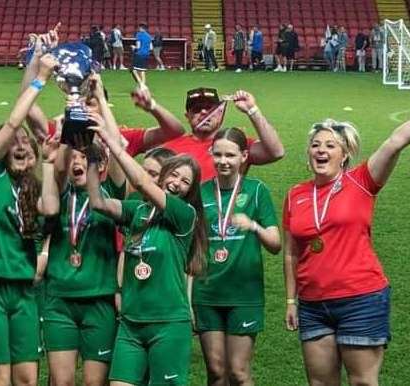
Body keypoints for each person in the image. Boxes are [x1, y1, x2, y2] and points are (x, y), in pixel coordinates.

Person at [283, 84, 410, 386]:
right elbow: (291, 252)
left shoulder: (362, 180)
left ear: (344, 154)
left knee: (362, 382)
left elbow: (395, 142)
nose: (321, 151)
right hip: (313, 304)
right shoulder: (296, 194)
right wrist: (291, 300)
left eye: (330, 146)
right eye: (316, 145)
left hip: (361, 298)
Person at [86, 125, 208, 385]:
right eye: (174, 175)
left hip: (169, 323)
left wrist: (113, 144)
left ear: (190, 191)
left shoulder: (184, 215)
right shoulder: (138, 211)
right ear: (164, 176)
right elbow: (97, 201)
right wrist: (92, 158)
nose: (177, 183)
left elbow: (141, 181)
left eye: (185, 181)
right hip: (131, 323)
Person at [0, 53, 57, 386]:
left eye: (27, 147)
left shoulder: (33, 186)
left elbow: (50, 212)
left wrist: (47, 164)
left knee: (27, 378)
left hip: (24, 289)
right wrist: (39, 78)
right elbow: (15, 122)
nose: (19, 146)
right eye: (13, 144)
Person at [38, 75, 127, 386]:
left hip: (99, 300)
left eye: (86, 158)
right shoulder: (58, 195)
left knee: (94, 383)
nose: (79, 162)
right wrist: (70, 115)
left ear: (99, 167)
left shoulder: (111, 197)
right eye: (74, 157)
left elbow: (116, 151)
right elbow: (58, 166)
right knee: (60, 382)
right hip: (59, 299)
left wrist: (101, 100)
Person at [192, 128, 281, 386]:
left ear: (243, 156)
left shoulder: (256, 191)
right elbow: (193, 245)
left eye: (230, 155)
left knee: (238, 373)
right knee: (216, 372)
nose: (223, 161)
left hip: (244, 294)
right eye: (217, 154)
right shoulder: (200, 192)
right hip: (207, 293)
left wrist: (253, 225)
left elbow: (275, 244)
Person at [120, 87, 285, 182]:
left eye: (210, 108)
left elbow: (275, 152)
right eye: (197, 109)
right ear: (188, 116)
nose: (204, 112)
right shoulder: (169, 146)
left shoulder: (233, 145)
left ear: (221, 114)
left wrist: (252, 110)